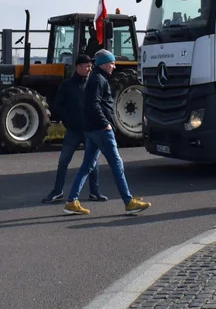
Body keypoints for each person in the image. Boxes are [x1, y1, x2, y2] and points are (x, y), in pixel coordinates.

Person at [63, 49, 151, 216]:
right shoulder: (98, 80)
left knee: (87, 165)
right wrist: (106, 124)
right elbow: (93, 104)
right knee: (117, 164)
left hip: (91, 129)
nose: (114, 66)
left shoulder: (95, 78)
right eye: (111, 63)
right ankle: (128, 202)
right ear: (103, 64)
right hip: (100, 130)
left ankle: (71, 201)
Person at [41, 54, 106, 203]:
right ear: (78, 67)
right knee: (64, 160)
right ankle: (57, 191)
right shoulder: (66, 85)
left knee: (93, 162)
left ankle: (94, 192)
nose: (89, 69)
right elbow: (57, 106)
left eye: (91, 66)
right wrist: (68, 120)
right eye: (86, 66)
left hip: (90, 129)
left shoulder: (93, 83)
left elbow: (100, 103)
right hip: (73, 130)